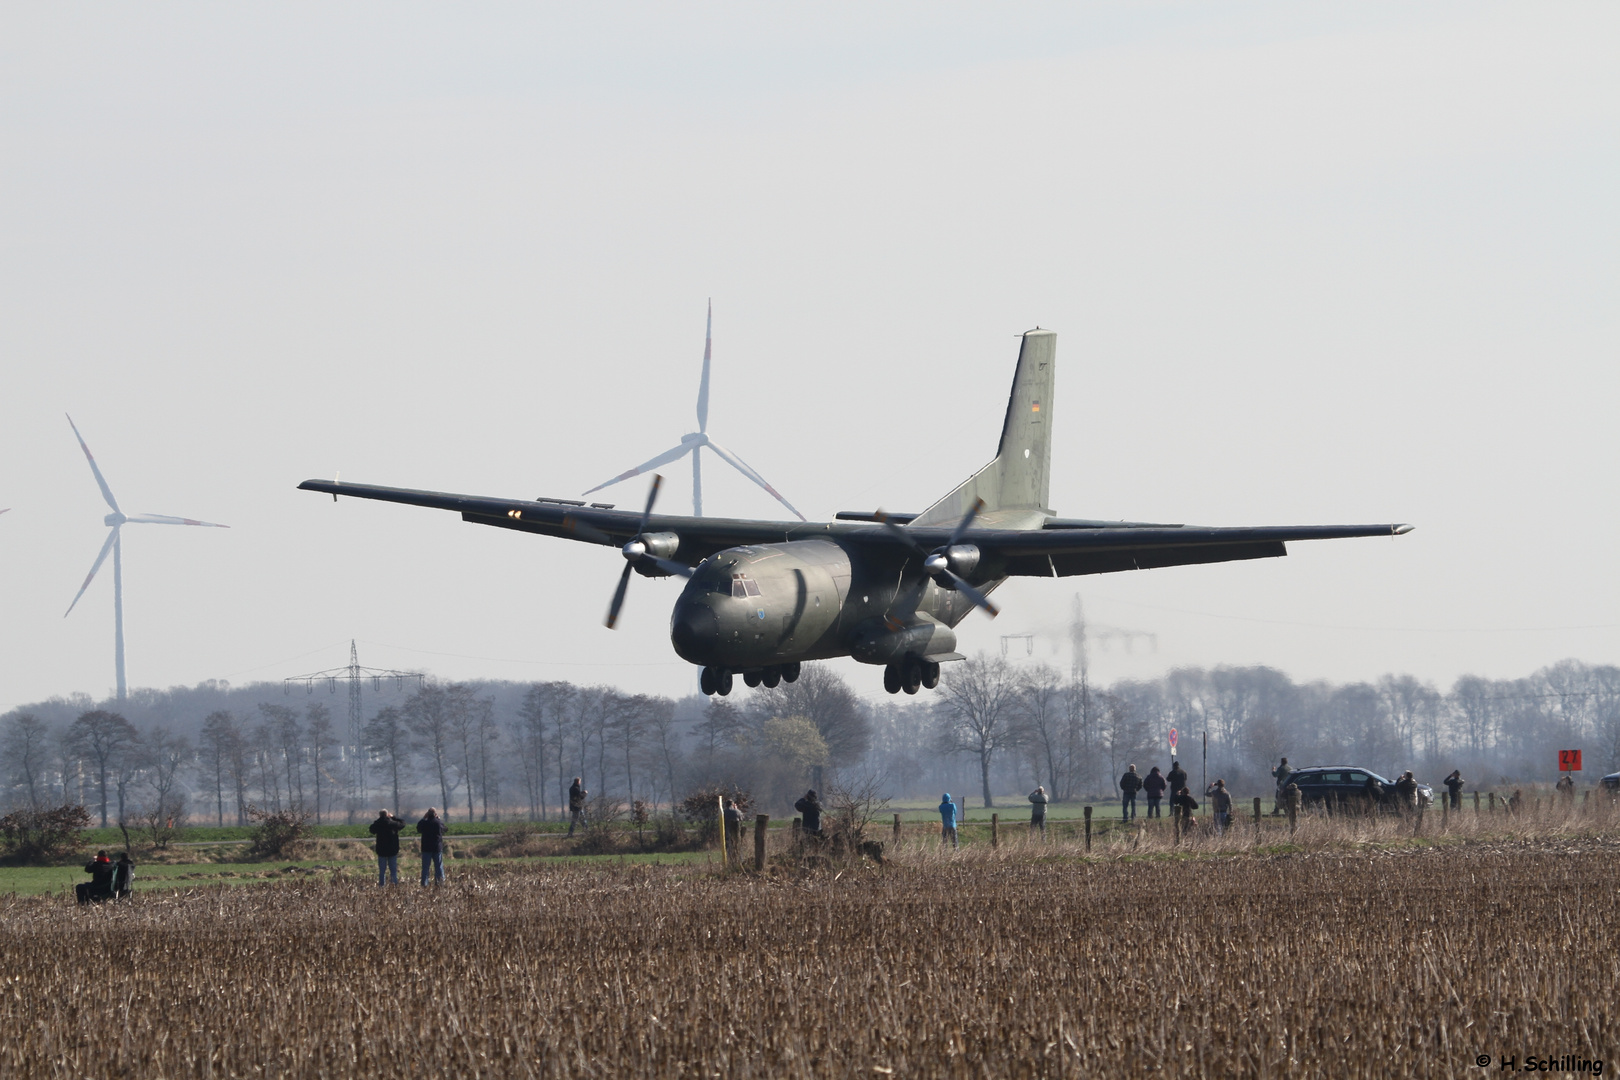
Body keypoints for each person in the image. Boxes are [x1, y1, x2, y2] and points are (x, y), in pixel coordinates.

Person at [370, 809, 405, 886]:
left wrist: (379, 820)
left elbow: (371, 829)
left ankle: (382, 885)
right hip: (392, 850)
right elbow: (403, 823)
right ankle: (394, 884)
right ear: (387, 815)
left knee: (382, 870)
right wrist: (394, 817)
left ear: (380, 815)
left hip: (381, 850)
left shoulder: (378, 823)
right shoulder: (392, 823)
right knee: (393, 870)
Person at [417, 807, 447, 886]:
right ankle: (440, 883)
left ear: (427, 814)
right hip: (437, 848)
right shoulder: (438, 822)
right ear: (435, 814)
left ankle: (424, 883)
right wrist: (439, 820)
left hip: (426, 848)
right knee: (438, 867)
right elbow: (445, 829)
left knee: (425, 868)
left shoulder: (424, 823)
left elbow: (418, 828)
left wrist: (424, 818)